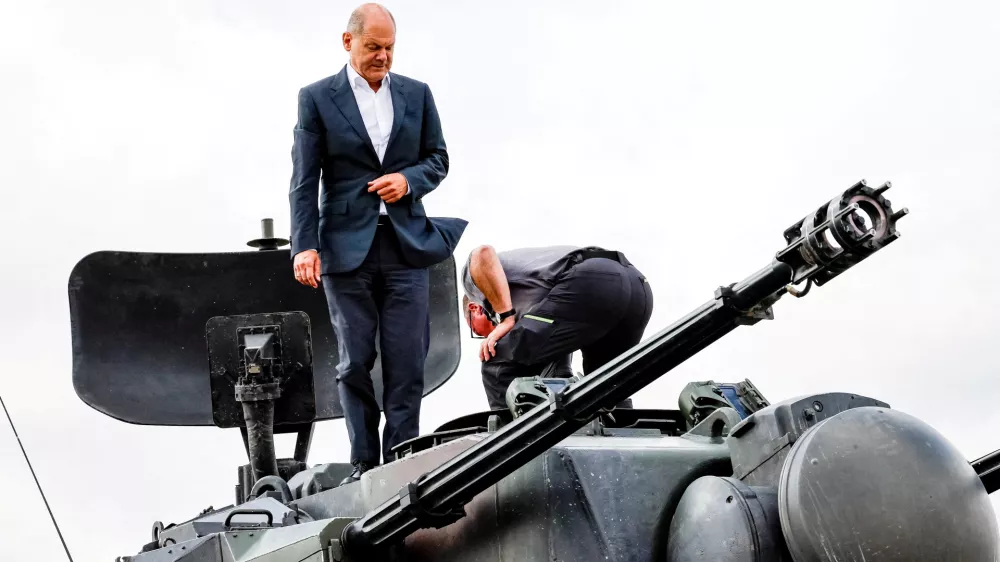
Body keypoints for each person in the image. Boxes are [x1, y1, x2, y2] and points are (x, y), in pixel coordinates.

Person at [288, 3, 467, 486]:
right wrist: (304, 246)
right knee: (355, 362)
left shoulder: (417, 94)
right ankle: (366, 462)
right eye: (373, 47)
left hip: (406, 246)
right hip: (346, 252)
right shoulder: (316, 98)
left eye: (389, 48)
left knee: (409, 360)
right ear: (348, 42)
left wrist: (408, 181)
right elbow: (304, 181)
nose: (382, 57)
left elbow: (438, 159)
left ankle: (402, 458)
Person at [461, 244, 654, 410]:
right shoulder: (538, 297)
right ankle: (620, 431)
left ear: (475, 309)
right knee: (606, 388)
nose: (490, 334)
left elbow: (482, 253)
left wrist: (505, 318)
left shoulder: (478, 287)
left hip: (591, 280)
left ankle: (512, 444)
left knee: (497, 357)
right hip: (638, 288)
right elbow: (553, 340)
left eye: (479, 331)